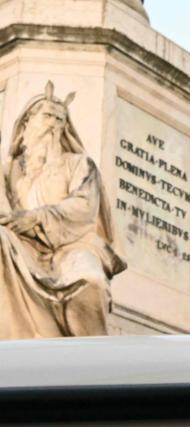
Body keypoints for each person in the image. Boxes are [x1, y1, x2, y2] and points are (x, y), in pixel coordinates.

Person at [0, 81, 127, 338]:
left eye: (60, 119)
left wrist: (36, 217)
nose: (53, 124)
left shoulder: (78, 163)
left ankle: (91, 362)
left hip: (72, 246)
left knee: (91, 281)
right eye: (47, 116)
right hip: (24, 246)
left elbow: (83, 206)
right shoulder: (9, 169)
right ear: (26, 123)